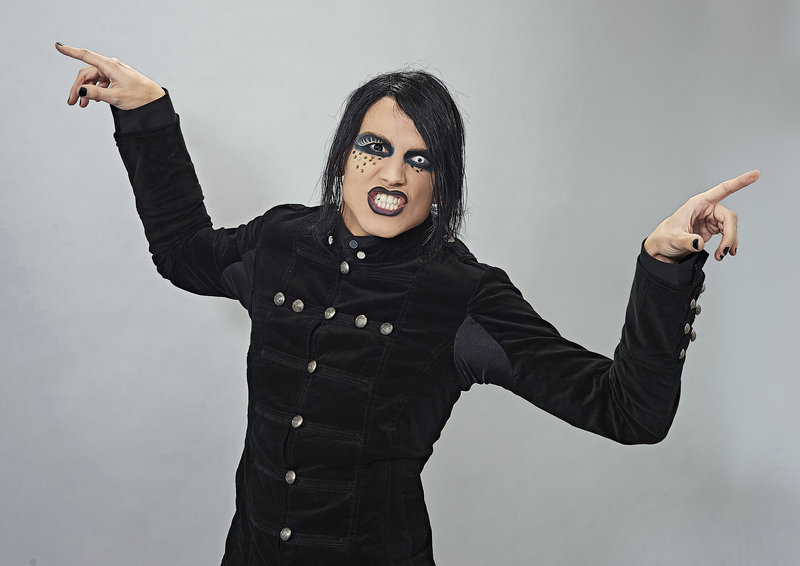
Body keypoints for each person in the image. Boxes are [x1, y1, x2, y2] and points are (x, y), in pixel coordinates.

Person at [56, 43, 758, 566]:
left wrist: (664, 265)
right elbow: (182, 253)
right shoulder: (279, 242)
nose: (393, 174)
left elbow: (628, 411)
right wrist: (146, 112)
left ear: (442, 182)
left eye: (420, 160)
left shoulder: (463, 296)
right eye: (375, 147)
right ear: (343, 157)